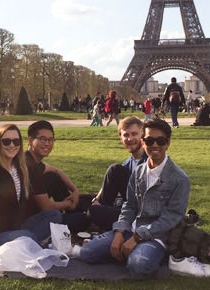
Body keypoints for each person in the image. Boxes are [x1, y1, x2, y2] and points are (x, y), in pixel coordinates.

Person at [80, 119, 190, 279]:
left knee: (139, 266)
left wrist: (138, 237)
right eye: (149, 140)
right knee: (86, 252)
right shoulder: (137, 172)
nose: (155, 145)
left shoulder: (180, 179)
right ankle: (131, 253)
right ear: (143, 142)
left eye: (160, 141)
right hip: (130, 229)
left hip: (157, 236)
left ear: (168, 143)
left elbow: (171, 218)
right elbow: (129, 206)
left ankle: (146, 254)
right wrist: (118, 232)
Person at [0, 124, 62, 262]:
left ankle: (26, 244)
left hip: (17, 227)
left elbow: (48, 169)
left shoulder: (20, 167)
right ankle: (31, 244)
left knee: (54, 216)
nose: (12, 145)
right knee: (27, 236)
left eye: (16, 141)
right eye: (6, 141)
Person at [25, 121, 92, 233]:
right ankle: (78, 212)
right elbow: (46, 207)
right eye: (42, 139)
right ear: (31, 141)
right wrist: (68, 204)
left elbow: (56, 170)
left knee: (52, 177)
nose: (47, 143)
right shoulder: (29, 166)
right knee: (82, 220)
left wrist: (75, 190)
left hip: (34, 210)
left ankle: (78, 210)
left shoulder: (31, 159)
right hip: (26, 222)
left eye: (50, 140)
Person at [89, 117, 148, 231]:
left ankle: (98, 220)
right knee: (91, 210)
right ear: (120, 138)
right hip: (127, 209)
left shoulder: (150, 160)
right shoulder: (127, 164)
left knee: (114, 169)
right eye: (125, 135)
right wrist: (96, 199)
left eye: (134, 134)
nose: (130, 138)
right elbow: (109, 184)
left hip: (142, 214)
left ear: (142, 135)